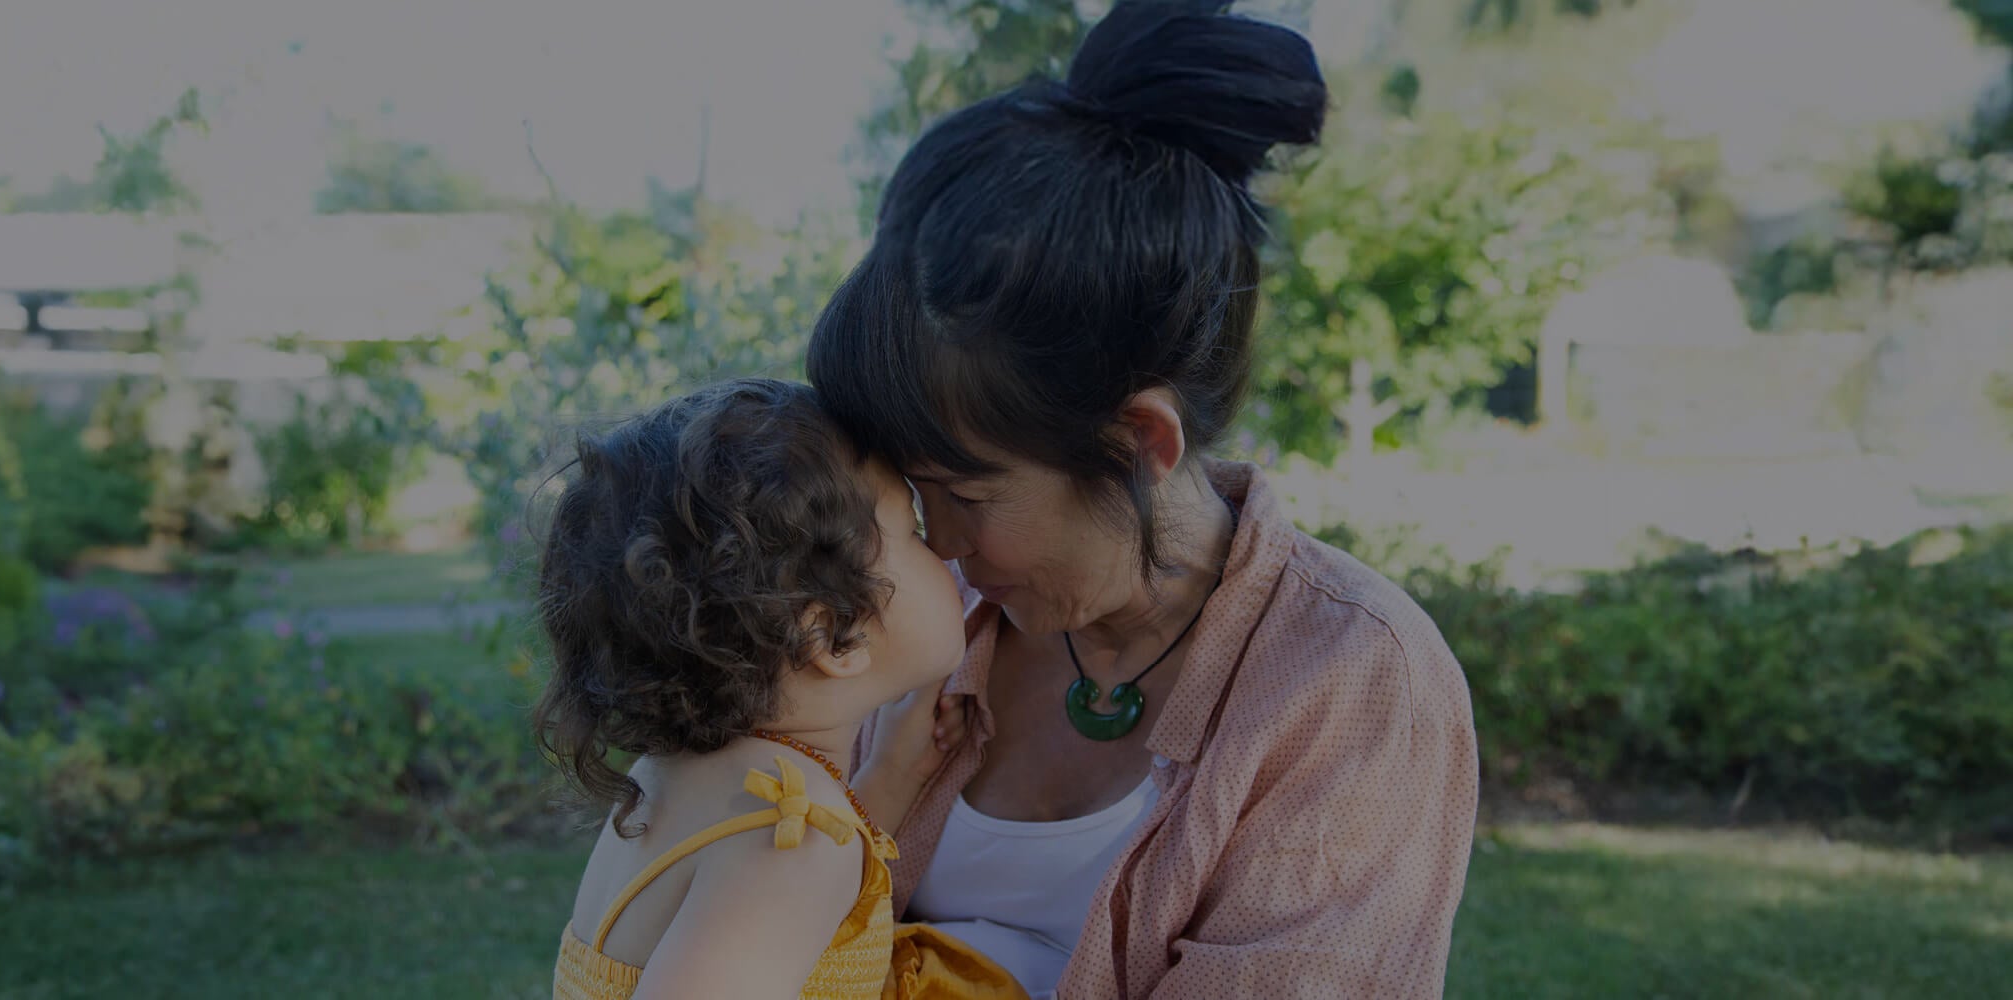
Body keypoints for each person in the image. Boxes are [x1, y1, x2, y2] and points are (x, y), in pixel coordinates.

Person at [809, 2, 1481, 997]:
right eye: (912, 486)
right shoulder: (924, 613)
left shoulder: (1353, 687)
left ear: (1140, 442)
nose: (933, 538)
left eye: (962, 491)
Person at [534, 378, 1020, 1000]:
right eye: (913, 531)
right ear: (832, 636)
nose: (946, 551)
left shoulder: (675, 781)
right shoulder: (792, 840)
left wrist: (894, 772)